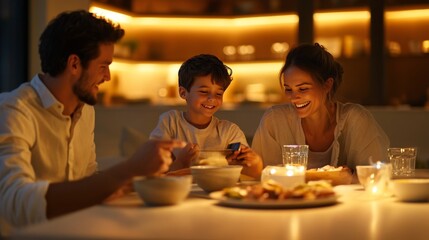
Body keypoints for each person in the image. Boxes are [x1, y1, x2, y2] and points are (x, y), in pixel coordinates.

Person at [0, 10, 185, 234]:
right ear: (75, 64)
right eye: (103, 65)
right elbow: (13, 202)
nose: (107, 77)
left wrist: (140, 178)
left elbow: (87, 179)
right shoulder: (13, 110)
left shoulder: (85, 109)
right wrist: (129, 169)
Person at [252, 43, 389, 172]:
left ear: (327, 85)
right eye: (288, 89)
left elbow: (376, 175)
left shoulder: (355, 119)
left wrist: (346, 178)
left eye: (303, 89)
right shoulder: (275, 121)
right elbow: (263, 176)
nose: (294, 97)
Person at [150, 54, 262, 179]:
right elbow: (153, 172)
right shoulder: (170, 122)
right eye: (204, 91)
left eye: (219, 94)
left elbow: (252, 174)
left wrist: (255, 162)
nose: (212, 98)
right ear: (183, 92)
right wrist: (181, 162)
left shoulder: (229, 132)